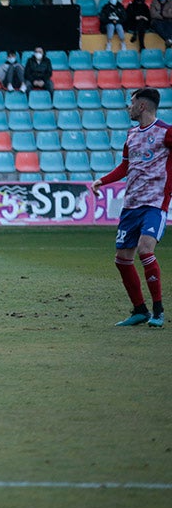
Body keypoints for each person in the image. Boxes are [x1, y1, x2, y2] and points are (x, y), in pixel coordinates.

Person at [92, 87, 168, 328]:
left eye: (132, 102)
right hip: (131, 204)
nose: (129, 106)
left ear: (142, 106)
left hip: (155, 204)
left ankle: (158, 311)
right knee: (122, 259)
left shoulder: (166, 133)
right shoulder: (132, 135)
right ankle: (139, 310)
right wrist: (102, 181)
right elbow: (124, 168)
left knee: (146, 249)